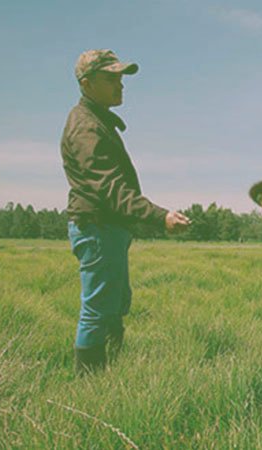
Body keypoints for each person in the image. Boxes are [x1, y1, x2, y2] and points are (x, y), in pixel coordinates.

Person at [60, 49, 190, 375]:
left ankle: (113, 371)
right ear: (86, 84)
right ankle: (90, 385)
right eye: (111, 78)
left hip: (108, 228)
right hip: (97, 227)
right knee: (97, 309)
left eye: (121, 77)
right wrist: (160, 216)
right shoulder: (86, 128)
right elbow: (110, 190)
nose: (120, 85)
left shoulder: (97, 120)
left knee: (114, 304)